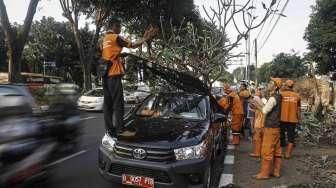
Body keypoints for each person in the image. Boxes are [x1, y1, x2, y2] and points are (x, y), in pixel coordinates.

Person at [100, 18, 158, 137]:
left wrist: (120, 54)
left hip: (104, 76)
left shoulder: (103, 39)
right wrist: (146, 38)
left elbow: (107, 54)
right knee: (118, 103)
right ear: (114, 26)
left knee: (108, 105)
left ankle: (109, 129)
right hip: (113, 74)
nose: (120, 29)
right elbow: (132, 45)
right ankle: (121, 130)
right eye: (119, 27)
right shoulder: (115, 37)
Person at [251, 78, 283, 180]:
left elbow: (264, 111)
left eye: (270, 83)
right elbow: (269, 108)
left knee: (266, 151)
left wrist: (255, 104)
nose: (268, 84)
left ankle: (264, 174)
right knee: (277, 151)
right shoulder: (279, 96)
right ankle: (276, 172)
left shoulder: (273, 98)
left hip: (270, 128)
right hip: (277, 128)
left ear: (275, 86)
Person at [280, 80, 301, 159]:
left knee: (281, 135)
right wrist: (299, 119)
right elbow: (298, 109)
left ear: (286, 86)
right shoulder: (297, 96)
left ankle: (281, 152)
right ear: (293, 86)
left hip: (282, 118)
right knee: (291, 136)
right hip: (293, 119)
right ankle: (288, 154)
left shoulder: (281, 95)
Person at [249, 90, 266, 158]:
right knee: (261, 140)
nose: (251, 106)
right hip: (262, 125)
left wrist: (252, 128)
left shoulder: (258, 109)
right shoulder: (263, 107)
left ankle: (257, 153)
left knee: (257, 139)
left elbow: (252, 119)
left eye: (252, 104)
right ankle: (261, 152)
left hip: (258, 126)